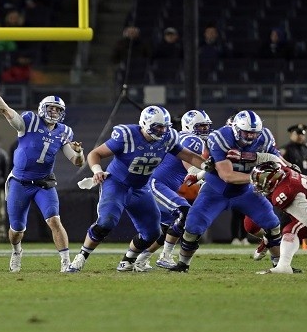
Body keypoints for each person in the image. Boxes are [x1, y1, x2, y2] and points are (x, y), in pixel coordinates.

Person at [67, 106, 209, 273]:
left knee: (153, 232)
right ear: (145, 124)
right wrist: (97, 170)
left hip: (141, 188)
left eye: (165, 127)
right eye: (158, 127)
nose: (162, 131)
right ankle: (81, 256)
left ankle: (128, 261)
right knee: (106, 222)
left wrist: (208, 166)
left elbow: (190, 156)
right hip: (117, 184)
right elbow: (95, 153)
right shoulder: (127, 135)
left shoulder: (168, 138)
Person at [0, 70, 85, 273]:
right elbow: (5, 111)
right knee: (16, 230)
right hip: (20, 182)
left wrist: (79, 153)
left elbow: (77, 161)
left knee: (54, 220)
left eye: (57, 109)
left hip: (44, 183)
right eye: (50, 108)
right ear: (42, 109)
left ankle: (65, 262)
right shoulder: (29, 121)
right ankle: (17, 251)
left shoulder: (65, 132)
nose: (53, 112)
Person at [170, 110, 285, 272]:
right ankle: (183, 264)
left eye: (254, 133)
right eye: (246, 132)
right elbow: (227, 175)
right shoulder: (221, 137)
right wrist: (257, 177)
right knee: (192, 227)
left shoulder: (264, 137)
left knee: (273, 225)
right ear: (236, 129)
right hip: (216, 190)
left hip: (245, 191)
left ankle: (280, 264)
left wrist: (287, 167)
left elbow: (276, 157)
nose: (250, 137)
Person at [132, 109, 213, 270]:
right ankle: (165, 256)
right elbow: (191, 168)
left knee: (164, 228)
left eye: (206, 127)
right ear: (190, 126)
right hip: (157, 184)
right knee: (185, 213)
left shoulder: (181, 137)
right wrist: (205, 181)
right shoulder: (192, 139)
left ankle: (138, 259)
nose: (204, 130)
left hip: (159, 184)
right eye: (201, 127)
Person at [249, 161, 307, 273]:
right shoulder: (285, 172)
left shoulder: (286, 191)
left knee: (291, 230)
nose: (258, 186)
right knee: (297, 226)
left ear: (271, 181)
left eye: (261, 182)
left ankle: (283, 266)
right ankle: (286, 265)